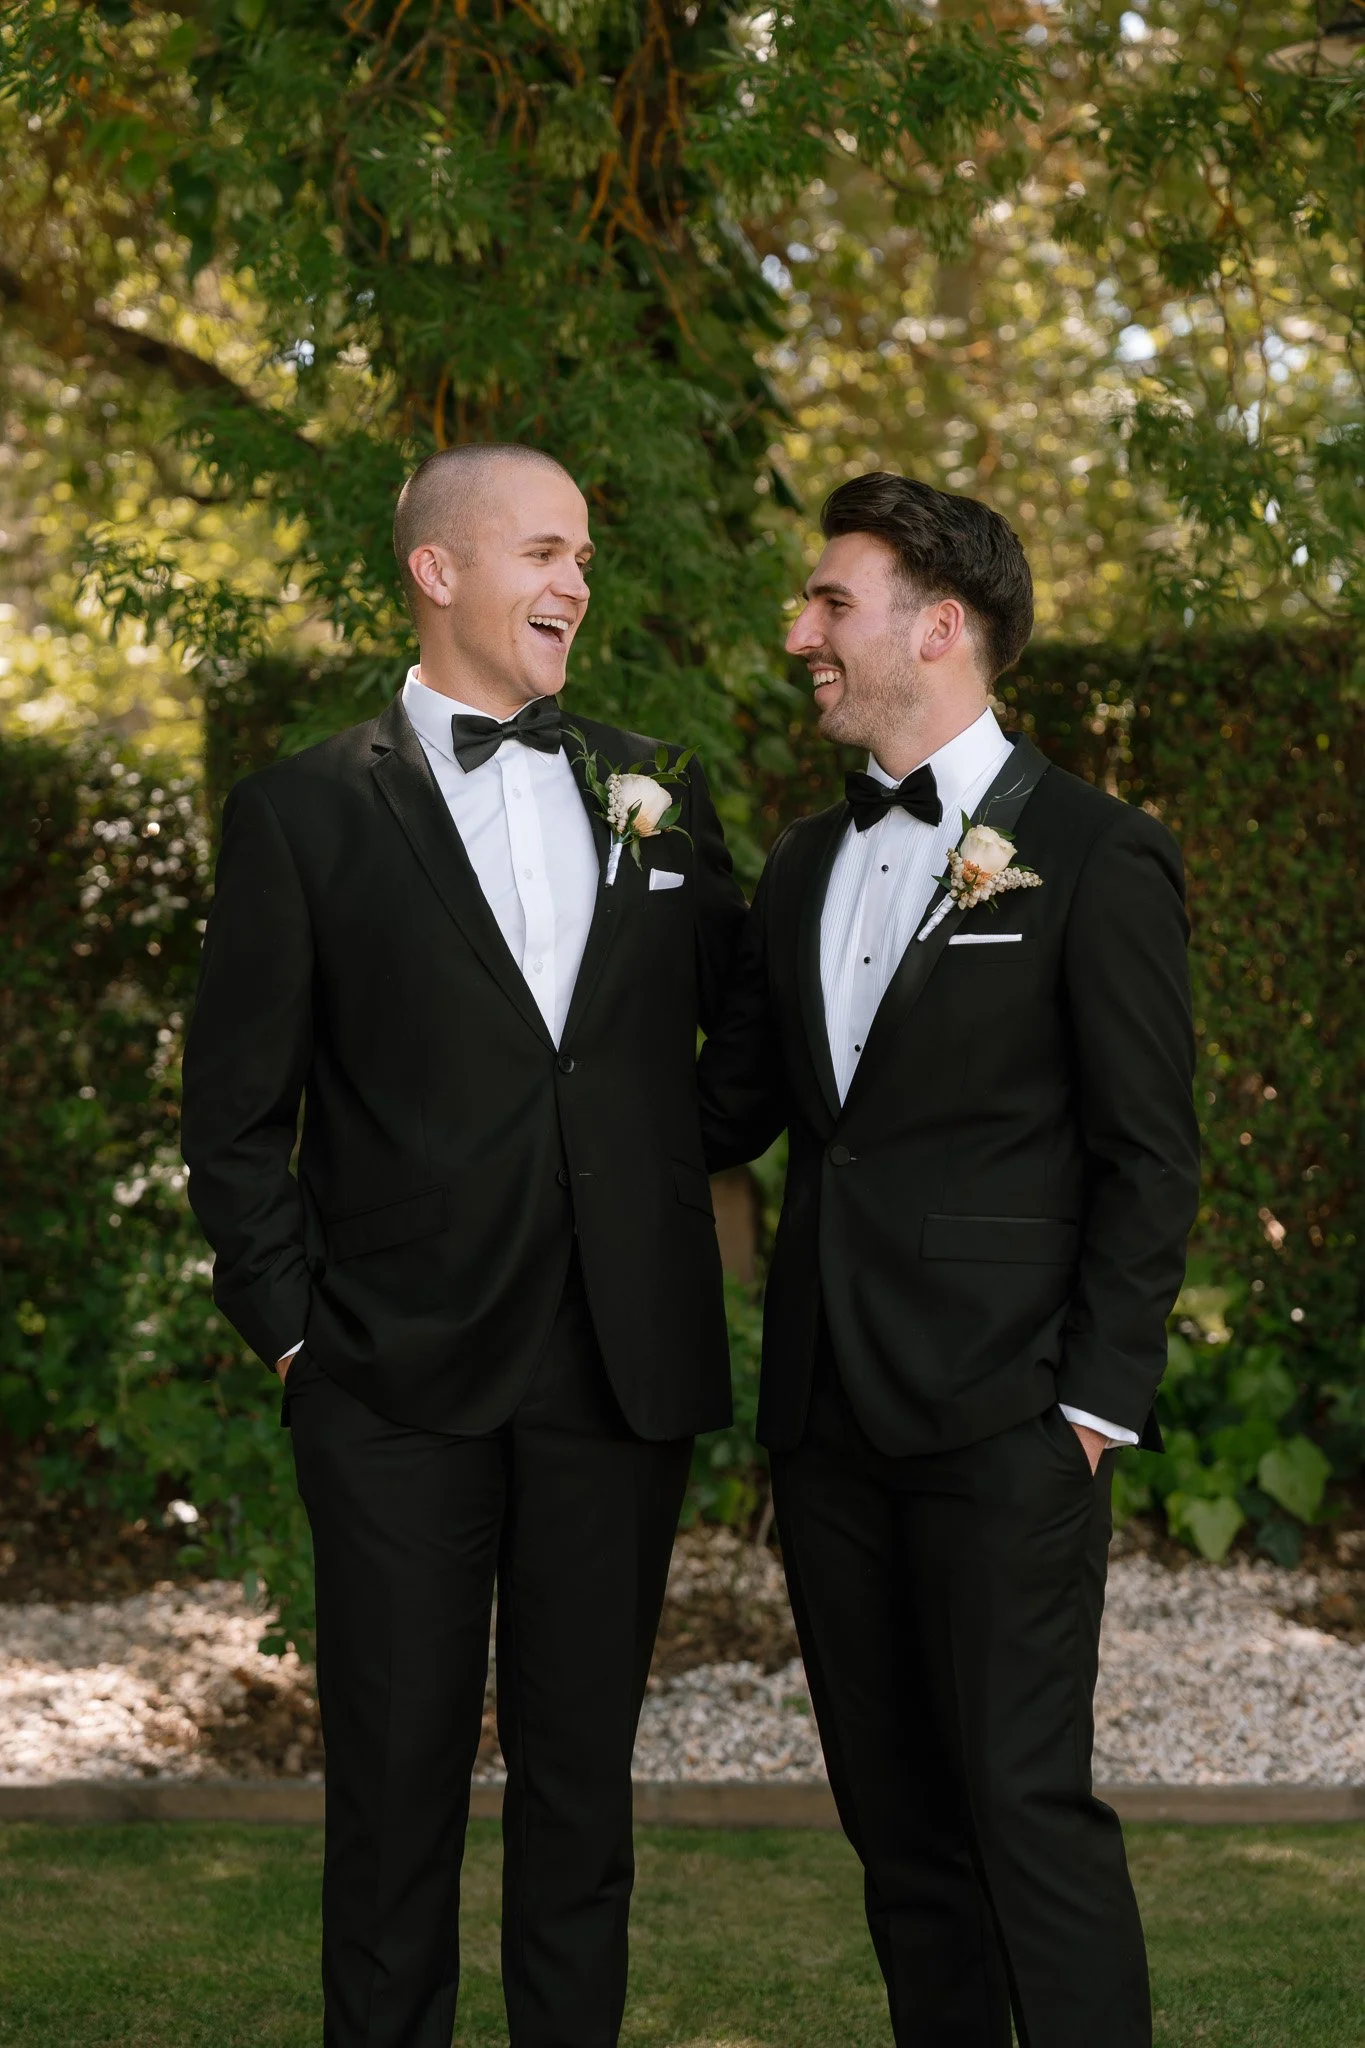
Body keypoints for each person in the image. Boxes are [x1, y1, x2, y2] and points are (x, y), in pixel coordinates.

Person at [181, 443, 746, 2048]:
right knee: (394, 1791)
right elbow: (233, 1115)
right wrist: (297, 1337)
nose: (576, 583)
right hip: (392, 1383)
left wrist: (651, 1168)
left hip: (615, 1368)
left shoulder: (655, 785)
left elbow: (748, 1029)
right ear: (440, 570)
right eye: (546, 551)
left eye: (583, 557)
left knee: (584, 1798)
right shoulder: (302, 809)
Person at [698, 472, 1200, 2047]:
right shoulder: (798, 866)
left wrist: (1092, 1407)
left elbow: (1149, 1154)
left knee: (1023, 1819)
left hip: (1006, 1425)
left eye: (829, 603)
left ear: (942, 625)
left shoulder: (1098, 856)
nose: (801, 635)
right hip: (828, 1430)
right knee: (900, 1840)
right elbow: (735, 1112)